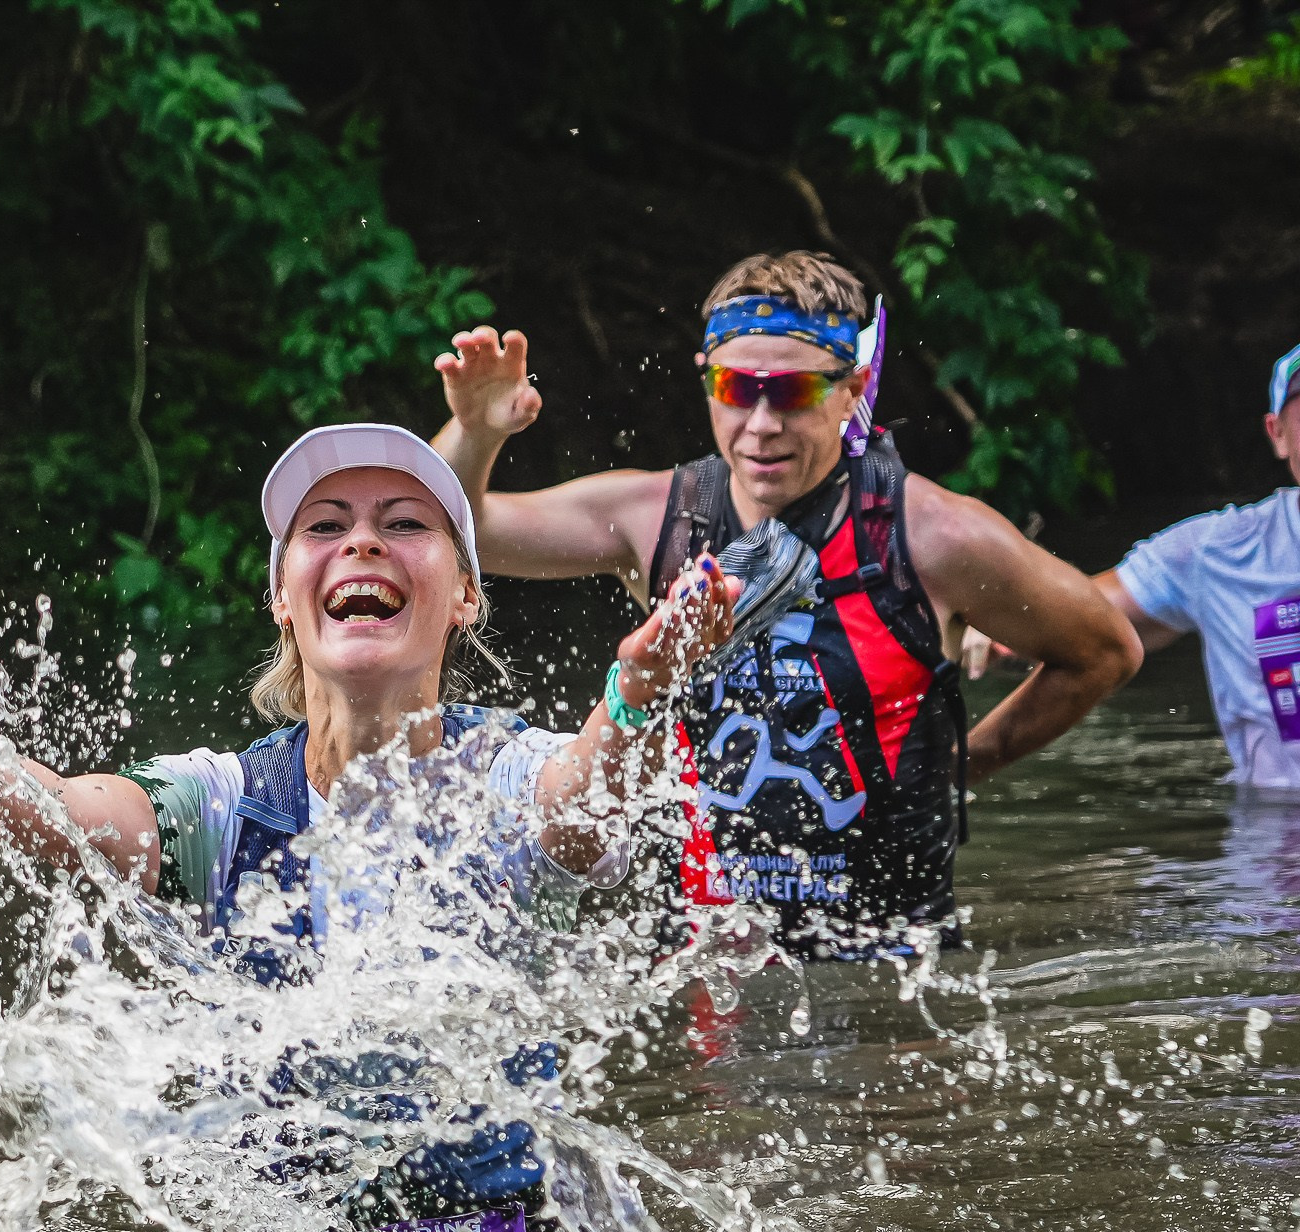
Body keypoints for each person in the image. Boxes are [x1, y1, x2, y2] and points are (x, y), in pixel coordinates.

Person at [0, 421, 741, 1232]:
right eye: (325, 528)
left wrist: (636, 697)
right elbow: (60, 812)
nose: (362, 544)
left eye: (404, 525)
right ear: (286, 598)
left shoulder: (508, 777)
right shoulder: (222, 804)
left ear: (463, 596)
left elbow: (580, 807)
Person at [429, 251, 1142, 958]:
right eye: (737, 388)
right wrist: (477, 431)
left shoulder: (936, 536)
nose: (761, 423)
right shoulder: (658, 518)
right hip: (718, 975)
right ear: (707, 381)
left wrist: (963, 763)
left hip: (892, 983)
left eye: (794, 392)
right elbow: (466, 533)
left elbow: (1105, 652)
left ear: (852, 388)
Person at [966, 341, 1300, 790]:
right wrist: (991, 618)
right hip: (1275, 840)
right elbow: (1076, 620)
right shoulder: (1217, 554)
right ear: (1277, 432)